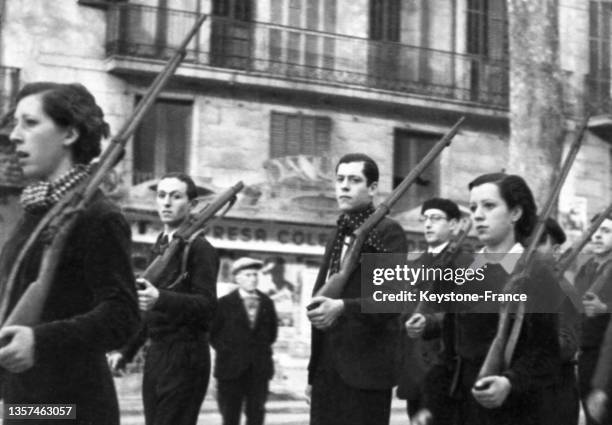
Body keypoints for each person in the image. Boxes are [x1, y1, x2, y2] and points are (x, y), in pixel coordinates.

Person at [0, 82, 140, 424]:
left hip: (71, 409)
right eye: (16, 123)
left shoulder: (99, 216)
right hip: (27, 404)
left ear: (69, 134)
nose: (15, 136)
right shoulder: (35, 210)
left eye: (30, 123)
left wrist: (40, 340)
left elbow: (122, 315)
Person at [414, 173, 561, 425]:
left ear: (515, 213)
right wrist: (431, 407)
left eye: (489, 206)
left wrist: (510, 382)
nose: (478, 215)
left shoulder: (537, 273)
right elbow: (448, 350)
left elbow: (546, 354)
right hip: (460, 406)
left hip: (515, 410)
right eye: (473, 208)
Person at [108, 172, 219, 425]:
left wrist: (161, 298)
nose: (166, 202)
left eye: (176, 196)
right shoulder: (161, 246)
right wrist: (126, 351)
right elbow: (148, 310)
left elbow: (208, 306)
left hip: (186, 356)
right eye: (161, 195)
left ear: (192, 205)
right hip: (157, 355)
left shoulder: (200, 248)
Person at [306, 153, 408, 425]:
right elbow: (323, 297)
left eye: (354, 180)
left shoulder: (388, 232)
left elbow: (391, 300)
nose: (344, 186)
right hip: (327, 371)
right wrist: (312, 374)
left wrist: (342, 307)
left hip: (366, 373)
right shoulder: (338, 232)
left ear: (373, 188)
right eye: (339, 179)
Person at [397, 198, 466, 420]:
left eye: (435, 219)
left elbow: (463, 315)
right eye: (425, 219)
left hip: (445, 369)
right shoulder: (414, 264)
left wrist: (429, 322)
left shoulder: (465, 263)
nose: (428, 224)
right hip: (415, 369)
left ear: (454, 225)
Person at [211, 257, 278, 425]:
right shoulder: (224, 304)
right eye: (248, 275)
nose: (253, 279)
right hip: (230, 370)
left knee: (256, 415)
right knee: (230, 416)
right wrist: (230, 351)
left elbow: (272, 334)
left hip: (258, 370)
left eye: (255, 275)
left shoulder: (267, 303)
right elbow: (213, 334)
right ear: (237, 278)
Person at [536, 218, 580, 425]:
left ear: (555, 251)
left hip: (552, 398)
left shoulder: (564, 290)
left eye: (539, 242)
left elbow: (567, 345)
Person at [574, 213, 612, 425]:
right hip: (584, 357)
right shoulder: (585, 268)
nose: (597, 237)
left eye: (605, 231)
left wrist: (605, 308)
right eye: (595, 231)